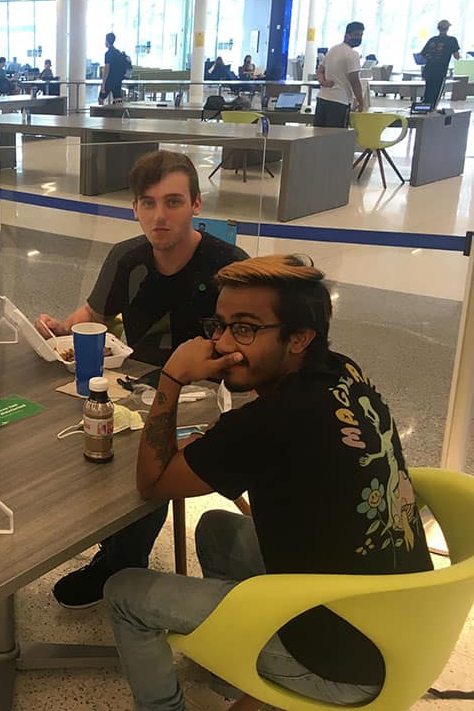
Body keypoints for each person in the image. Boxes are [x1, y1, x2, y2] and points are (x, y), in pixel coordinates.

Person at [104, 254, 433, 711]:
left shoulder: (269, 423)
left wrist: (173, 377)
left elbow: (152, 482)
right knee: (216, 529)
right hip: (406, 623)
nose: (221, 344)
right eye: (218, 326)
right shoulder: (343, 370)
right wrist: (226, 446)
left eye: (245, 328)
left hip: (345, 662)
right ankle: (235, 663)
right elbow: (292, 459)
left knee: (123, 592)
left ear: (300, 337)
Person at [34, 150, 248, 609]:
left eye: (173, 202)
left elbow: (249, 357)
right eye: (147, 204)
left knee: (153, 458)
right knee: (80, 434)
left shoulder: (229, 268)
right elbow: (93, 316)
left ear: (196, 205)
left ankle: (120, 562)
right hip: (138, 389)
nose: (159, 216)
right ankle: (113, 548)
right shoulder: (125, 259)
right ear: (134, 209)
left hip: (209, 401)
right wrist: (57, 330)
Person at [314, 21, 366, 128]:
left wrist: (323, 82)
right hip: (339, 102)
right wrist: (361, 101)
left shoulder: (332, 50)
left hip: (322, 99)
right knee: (336, 138)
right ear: (347, 36)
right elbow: (354, 81)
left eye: (361, 35)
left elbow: (319, 71)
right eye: (357, 35)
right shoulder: (353, 55)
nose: (359, 38)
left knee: (318, 136)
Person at [419, 19, 461, 105]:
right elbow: (456, 56)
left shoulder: (432, 40)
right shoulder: (452, 40)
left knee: (428, 91)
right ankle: (432, 110)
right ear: (448, 28)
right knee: (436, 92)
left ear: (438, 28)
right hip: (440, 70)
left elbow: (422, 55)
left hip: (429, 69)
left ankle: (425, 108)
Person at [100, 32, 129, 104]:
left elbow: (107, 69)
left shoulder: (108, 53)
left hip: (109, 80)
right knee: (117, 100)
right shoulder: (118, 52)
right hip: (118, 80)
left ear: (107, 41)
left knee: (101, 98)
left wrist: (103, 84)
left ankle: (101, 114)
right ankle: (116, 114)